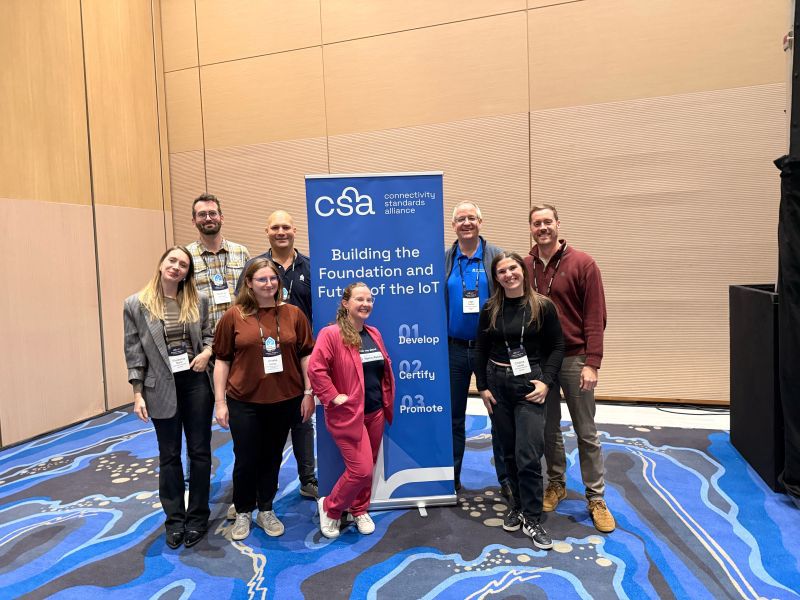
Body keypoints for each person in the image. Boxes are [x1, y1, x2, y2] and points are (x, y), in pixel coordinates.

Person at [524, 204, 616, 533]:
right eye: (537, 223)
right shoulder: (525, 266)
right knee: (548, 429)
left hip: (575, 358)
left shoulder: (583, 263)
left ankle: (596, 497)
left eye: (547, 222)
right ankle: (556, 483)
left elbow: (595, 316)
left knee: (586, 431)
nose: (542, 228)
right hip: (540, 362)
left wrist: (593, 362)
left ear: (558, 224)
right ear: (531, 228)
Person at [212, 258, 315, 541]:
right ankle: (243, 510)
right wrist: (220, 402)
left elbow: (306, 355)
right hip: (244, 400)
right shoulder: (233, 316)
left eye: (272, 279)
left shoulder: (294, 314)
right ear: (249, 283)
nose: (268, 284)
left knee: (272, 457)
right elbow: (222, 360)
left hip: (284, 399)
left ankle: (266, 508)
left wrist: (309, 393)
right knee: (246, 457)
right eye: (261, 279)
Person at [123, 246, 214, 549]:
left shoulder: (199, 300)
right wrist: (137, 393)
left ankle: (198, 516)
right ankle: (174, 520)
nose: (177, 267)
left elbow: (211, 335)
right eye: (172, 261)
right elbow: (134, 352)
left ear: (188, 272)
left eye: (183, 264)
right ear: (161, 264)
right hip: (159, 385)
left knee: (200, 452)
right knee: (169, 455)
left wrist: (206, 352)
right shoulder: (136, 304)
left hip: (196, 383)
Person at [475, 252, 564, 550]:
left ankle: (533, 517)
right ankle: (517, 505)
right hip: (497, 384)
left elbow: (557, 346)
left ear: (523, 271)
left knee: (528, 453)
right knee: (508, 452)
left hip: (529, 384)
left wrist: (547, 381)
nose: (508, 274)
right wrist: (482, 387)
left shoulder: (543, 306)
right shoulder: (490, 308)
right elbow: (480, 349)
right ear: (496, 277)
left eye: (513, 268)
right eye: (501, 271)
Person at [236, 210, 317, 500]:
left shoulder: (311, 266)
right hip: (263, 358)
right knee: (263, 426)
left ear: (294, 230)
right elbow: (241, 309)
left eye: (285, 227)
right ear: (267, 232)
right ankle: (262, 484)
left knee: (303, 420)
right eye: (275, 227)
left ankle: (308, 478)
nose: (280, 232)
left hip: (300, 355)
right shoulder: (256, 267)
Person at [308, 282, 395, 539]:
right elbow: (316, 369)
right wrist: (333, 396)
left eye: (369, 299)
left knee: (370, 465)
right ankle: (331, 507)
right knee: (361, 469)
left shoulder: (374, 333)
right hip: (348, 415)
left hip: (375, 411)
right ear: (346, 303)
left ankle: (359, 509)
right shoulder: (331, 334)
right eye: (360, 299)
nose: (366, 303)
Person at [444, 202, 510, 497]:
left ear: (480, 222)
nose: (466, 223)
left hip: (490, 351)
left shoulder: (496, 256)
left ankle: (507, 480)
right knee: (453, 418)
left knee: (498, 416)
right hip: (454, 351)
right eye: (461, 219)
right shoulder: (445, 259)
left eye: (471, 218)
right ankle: (451, 478)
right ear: (453, 225)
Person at [186, 193, 250, 335]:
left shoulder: (241, 252)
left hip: (241, 334)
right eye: (202, 214)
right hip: (205, 338)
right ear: (193, 221)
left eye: (212, 213)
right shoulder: (186, 256)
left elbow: (252, 293)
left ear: (221, 218)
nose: (208, 218)